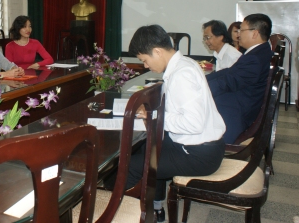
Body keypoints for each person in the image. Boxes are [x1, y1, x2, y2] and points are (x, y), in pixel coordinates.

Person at [108, 24, 226, 222]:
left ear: (157, 51)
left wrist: (153, 116)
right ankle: (155, 208)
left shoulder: (182, 75)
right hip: (200, 146)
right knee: (149, 146)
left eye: (144, 60)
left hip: (200, 154)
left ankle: (118, 213)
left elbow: (193, 123)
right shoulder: (184, 64)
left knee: (129, 166)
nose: (145, 66)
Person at [207, 13, 274, 144]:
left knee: (197, 105)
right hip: (243, 102)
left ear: (254, 33)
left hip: (238, 112)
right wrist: (203, 79)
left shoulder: (255, 58)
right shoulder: (259, 52)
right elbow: (229, 72)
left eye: (241, 30)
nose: (238, 34)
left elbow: (228, 82)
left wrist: (201, 88)